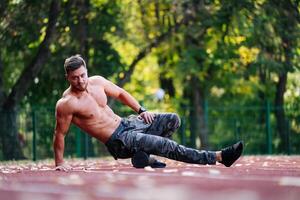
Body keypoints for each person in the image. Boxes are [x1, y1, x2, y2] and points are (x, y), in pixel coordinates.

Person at [53, 54, 243, 171]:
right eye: (74, 78)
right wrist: (59, 162)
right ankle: (218, 157)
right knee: (165, 144)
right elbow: (59, 134)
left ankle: (143, 156)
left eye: (82, 75)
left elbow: (120, 93)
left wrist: (141, 110)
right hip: (119, 141)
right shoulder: (67, 103)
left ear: (86, 70)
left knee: (172, 120)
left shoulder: (97, 82)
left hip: (128, 123)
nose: (80, 80)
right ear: (67, 77)